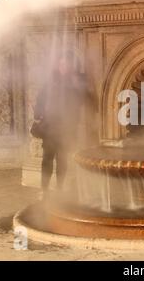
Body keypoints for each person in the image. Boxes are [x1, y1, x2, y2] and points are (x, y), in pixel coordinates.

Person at [33, 53, 92, 199]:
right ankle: (44, 190)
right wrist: (38, 114)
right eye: (61, 64)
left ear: (71, 66)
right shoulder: (51, 82)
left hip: (67, 127)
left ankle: (59, 189)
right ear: (58, 66)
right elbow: (40, 100)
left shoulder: (76, 82)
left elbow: (82, 101)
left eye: (66, 64)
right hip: (50, 126)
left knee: (62, 159)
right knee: (47, 158)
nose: (63, 67)